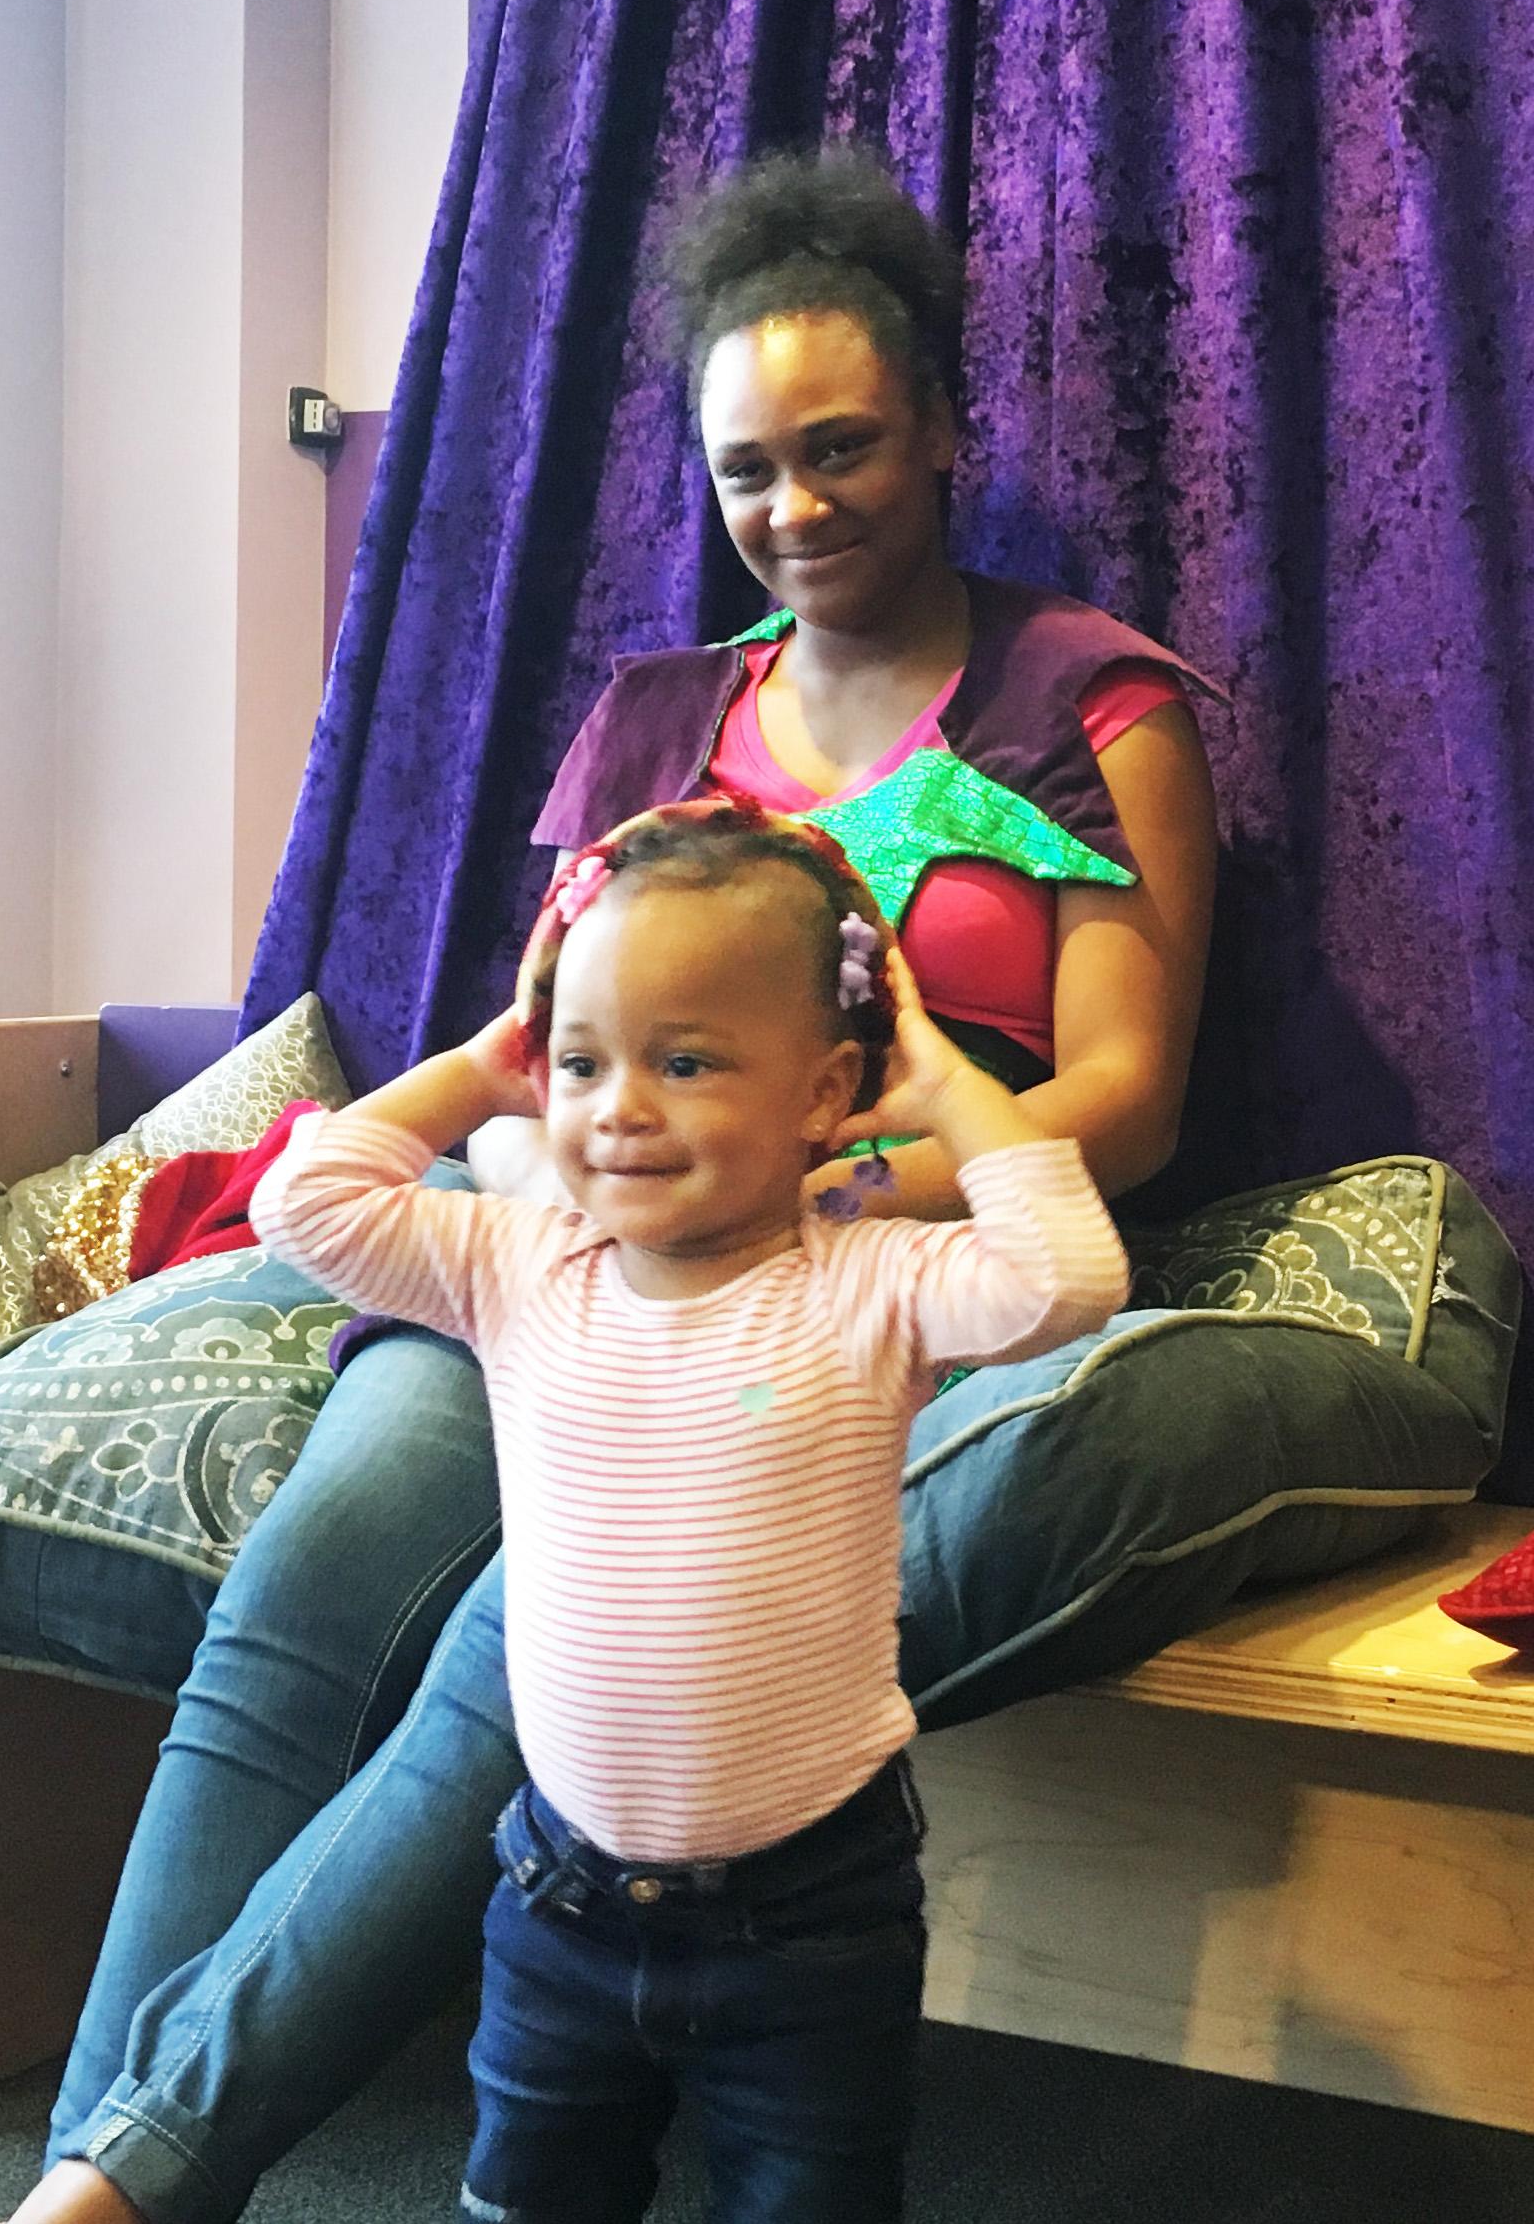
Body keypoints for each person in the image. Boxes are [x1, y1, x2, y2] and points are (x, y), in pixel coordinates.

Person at [7, 149, 1251, 2224]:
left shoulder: (1084, 703)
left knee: (526, 1641)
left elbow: (1126, 1093)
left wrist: (817, 1183)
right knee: (311, 1583)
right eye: (751, 468)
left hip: (849, 1277)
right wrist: (584, 1187)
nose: (799, 507)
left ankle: (144, 2175)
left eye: (844, 448)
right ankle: (82, 2167)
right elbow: (543, 1041)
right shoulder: (656, 717)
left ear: (946, 428)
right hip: (568, 1256)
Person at [253, 798, 1124, 2221]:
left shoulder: (870, 1281)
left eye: (688, 1061)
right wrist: (482, 1068)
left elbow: (1066, 1277)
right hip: (557, 1895)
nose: (620, 1109)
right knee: (531, 2198)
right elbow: (308, 1207)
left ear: (828, 1094)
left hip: (813, 1919)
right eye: (583, 1062)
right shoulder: (521, 1263)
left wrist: (949, 1084)